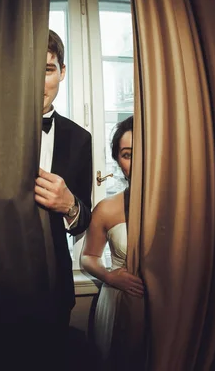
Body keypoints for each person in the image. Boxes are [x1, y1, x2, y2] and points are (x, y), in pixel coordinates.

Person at [34, 29, 93, 362]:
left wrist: (69, 204)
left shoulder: (79, 139)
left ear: (62, 72)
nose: (39, 82)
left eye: (47, 69)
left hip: (54, 286)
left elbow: (83, 220)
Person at [80, 115, 144, 365]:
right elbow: (88, 256)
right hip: (123, 305)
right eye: (127, 154)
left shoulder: (183, 206)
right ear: (118, 160)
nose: (137, 162)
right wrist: (109, 276)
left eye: (143, 151)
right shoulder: (107, 208)